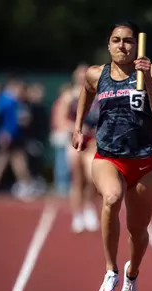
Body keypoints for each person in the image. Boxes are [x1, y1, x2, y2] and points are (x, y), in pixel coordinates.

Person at [72, 21, 152, 291]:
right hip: (108, 157)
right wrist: (78, 128)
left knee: (137, 232)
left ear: (136, 45)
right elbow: (86, 92)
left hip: (145, 161)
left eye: (128, 41)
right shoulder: (96, 74)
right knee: (112, 198)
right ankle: (110, 270)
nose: (122, 46)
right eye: (116, 40)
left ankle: (132, 273)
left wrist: (147, 79)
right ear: (108, 44)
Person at [57, 64, 99, 233]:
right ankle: (78, 214)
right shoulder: (69, 96)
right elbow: (61, 121)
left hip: (93, 143)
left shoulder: (98, 96)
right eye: (80, 75)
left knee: (93, 178)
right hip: (75, 142)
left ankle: (89, 208)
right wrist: (77, 129)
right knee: (77, 180)